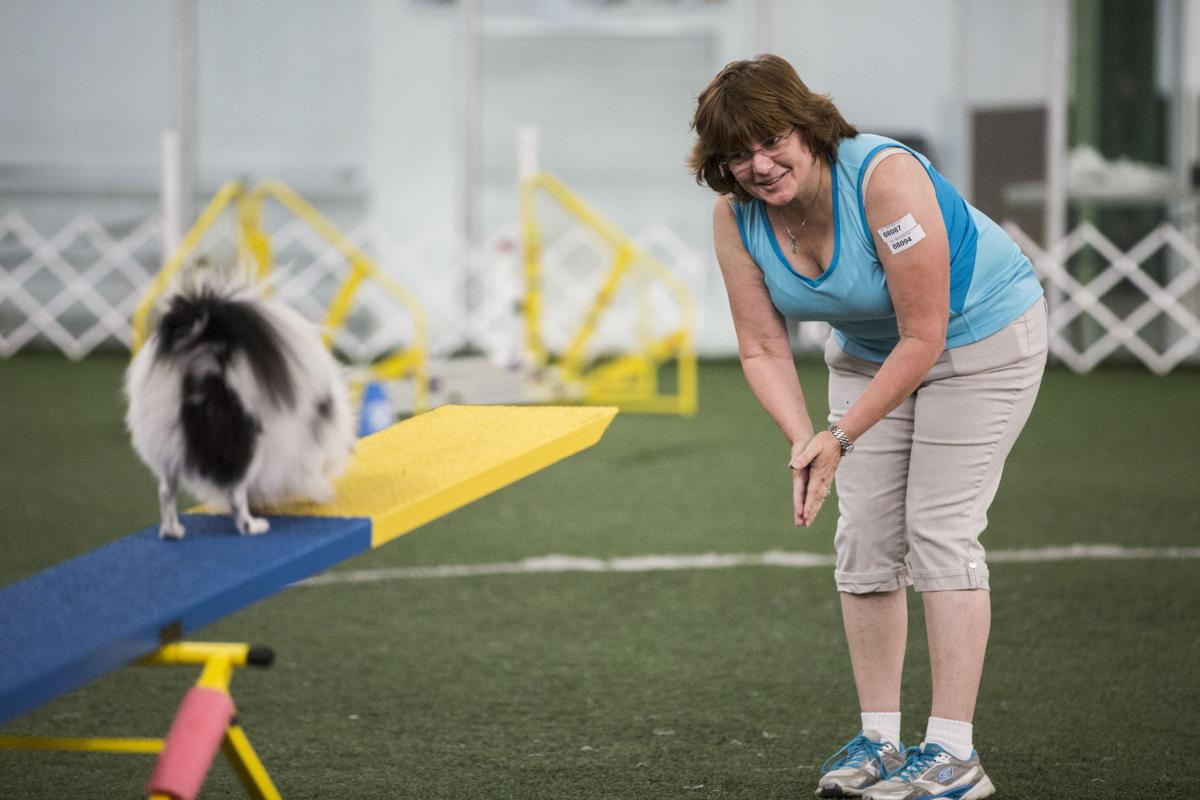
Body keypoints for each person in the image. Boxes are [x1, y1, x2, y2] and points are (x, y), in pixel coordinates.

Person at [687, 54, 1047, 800]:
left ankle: (954, 755)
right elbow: (760, 345)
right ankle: (881, 740)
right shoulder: (734, 217)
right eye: (736, 154)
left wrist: (840, 435)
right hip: (866, 353)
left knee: (939, 529)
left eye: (771, 141)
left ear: (806, 126)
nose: (758, 166)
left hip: (978, 340)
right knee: (865, 539)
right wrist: (804, 439)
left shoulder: (883, 179)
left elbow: (924, 333)